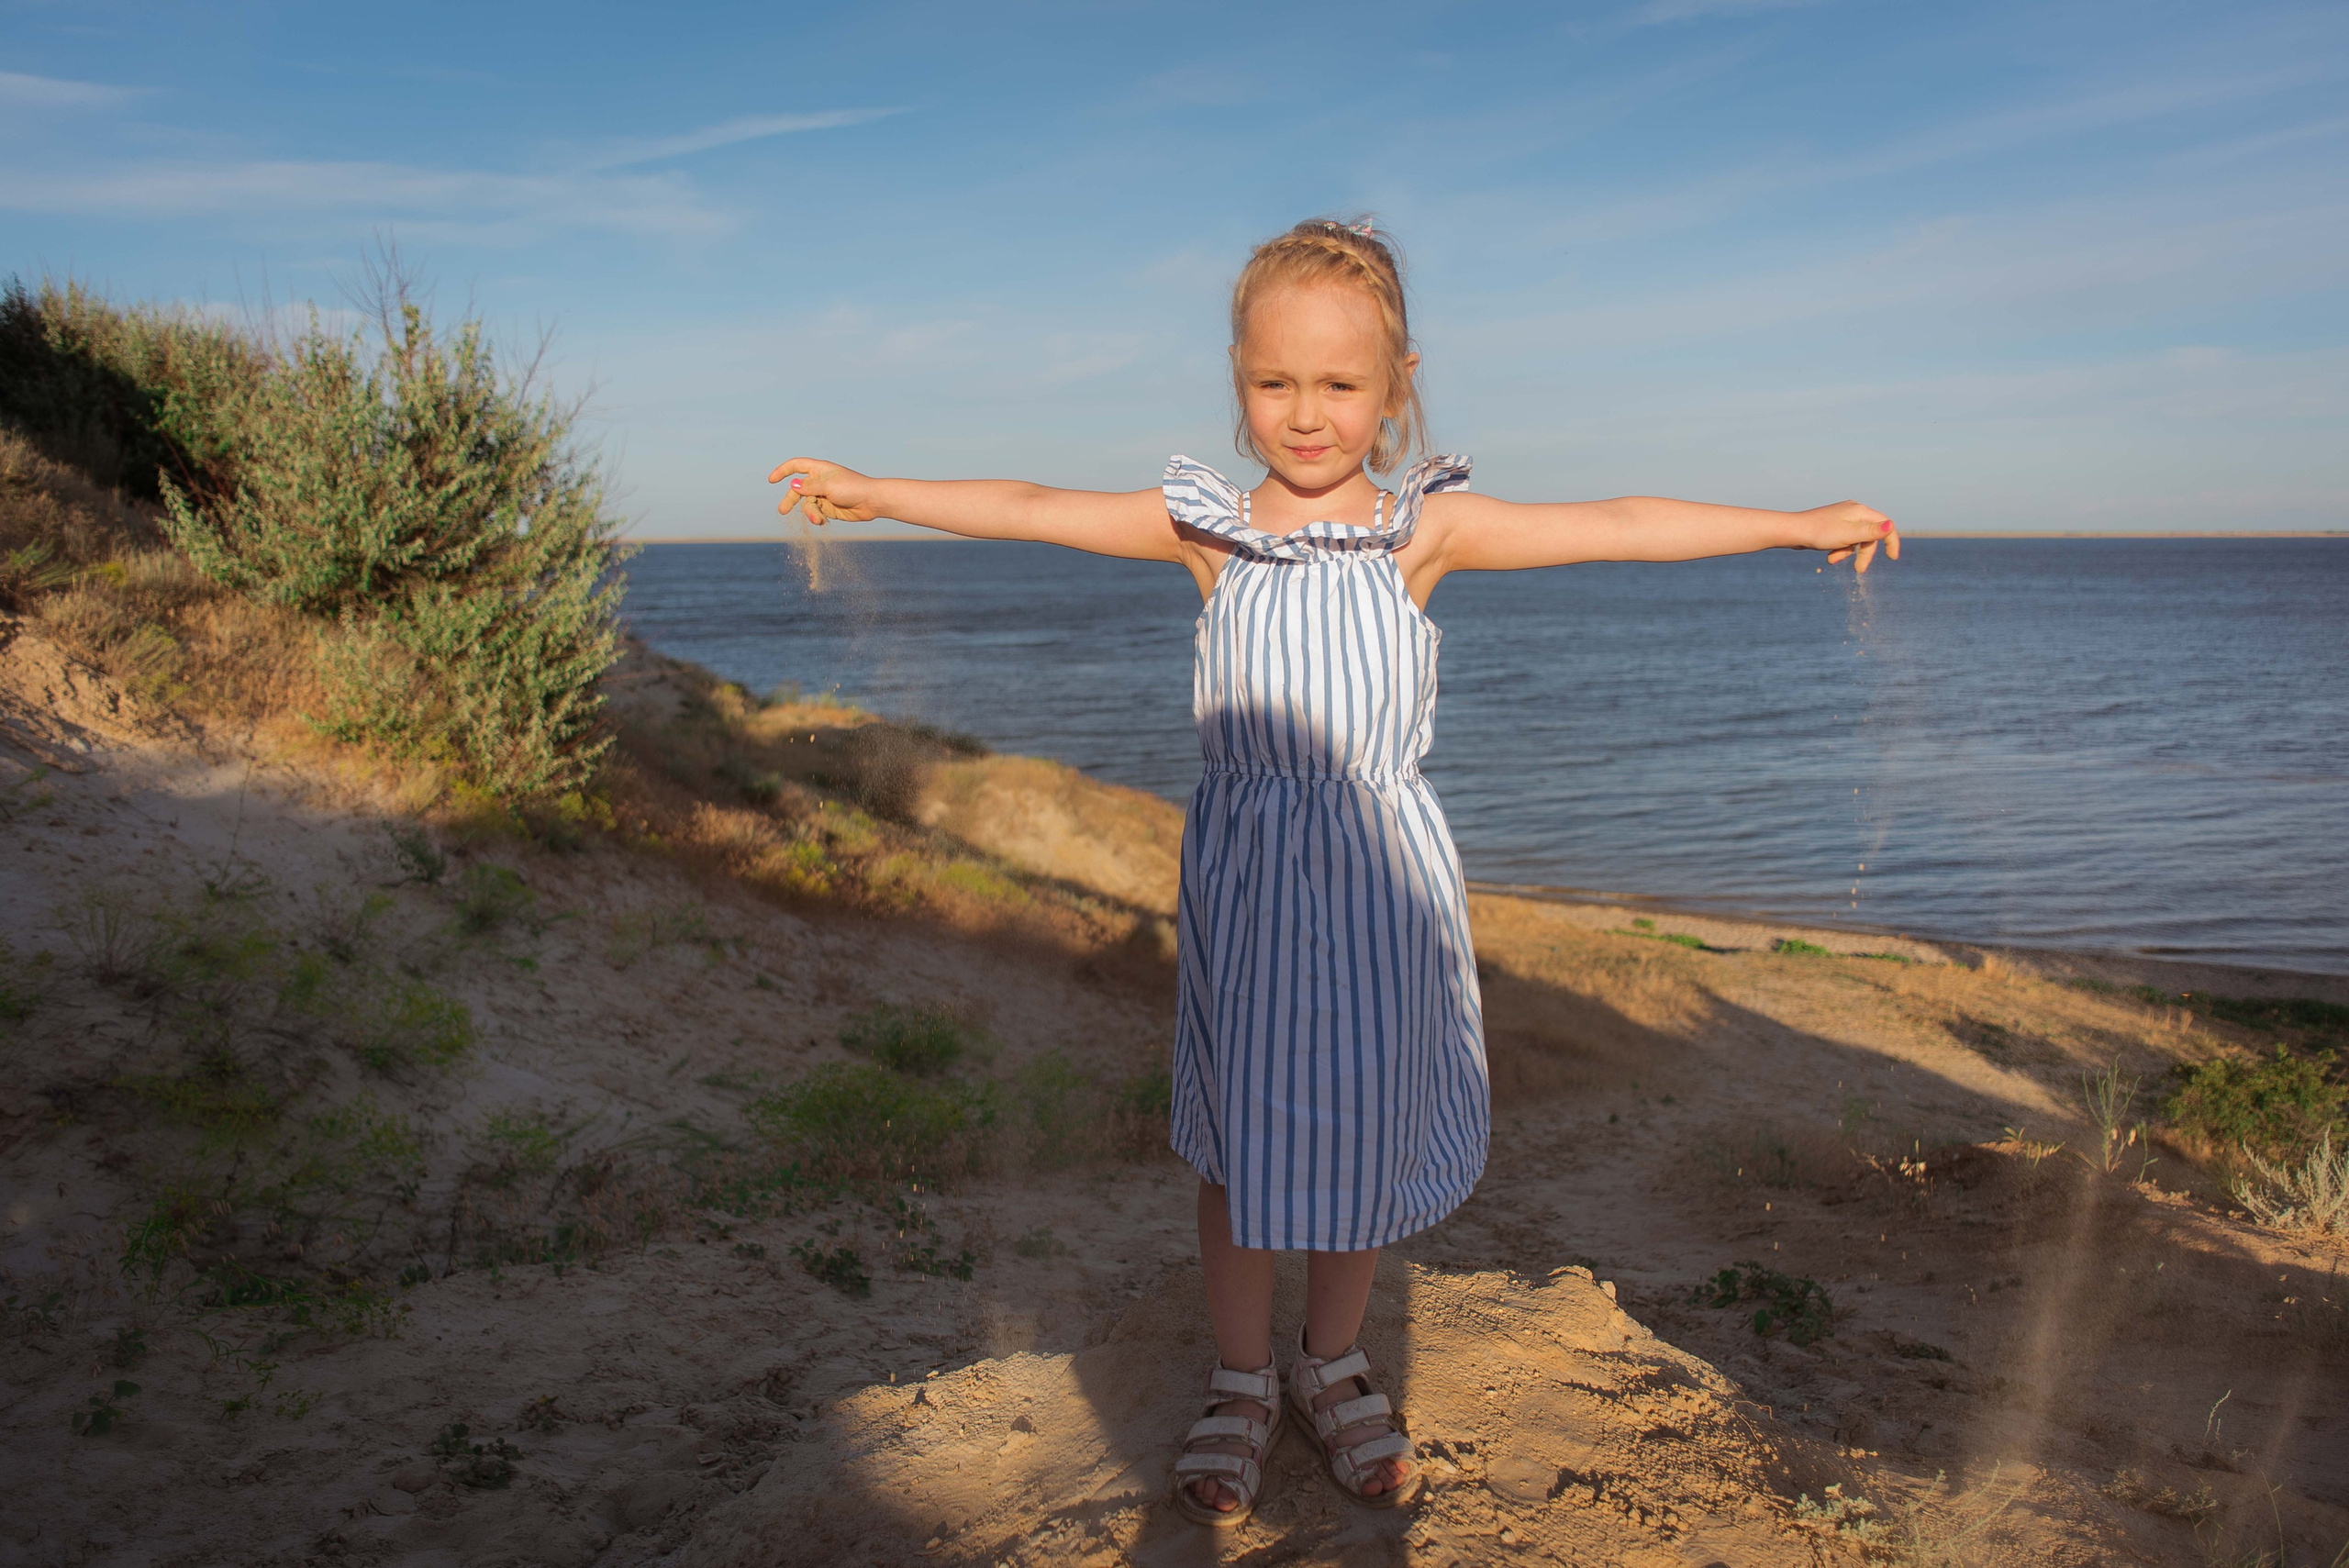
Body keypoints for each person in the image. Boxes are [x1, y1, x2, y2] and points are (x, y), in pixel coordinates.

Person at [767, 216, 1898, 1528]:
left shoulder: (1424, 535)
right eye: (1274, 382)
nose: (1306, 414)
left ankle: (1333, 1359)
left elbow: (1622, 523)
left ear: (1399, 382)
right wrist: (877, 489)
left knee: (1361, 1130)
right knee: (1242, 1141)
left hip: (1379, 893)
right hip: (1247, 888)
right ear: (1238, 378)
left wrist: (1790, 524)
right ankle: (1243, 1375)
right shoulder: (1209, 531)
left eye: (1340, 384)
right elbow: (1028, 506)